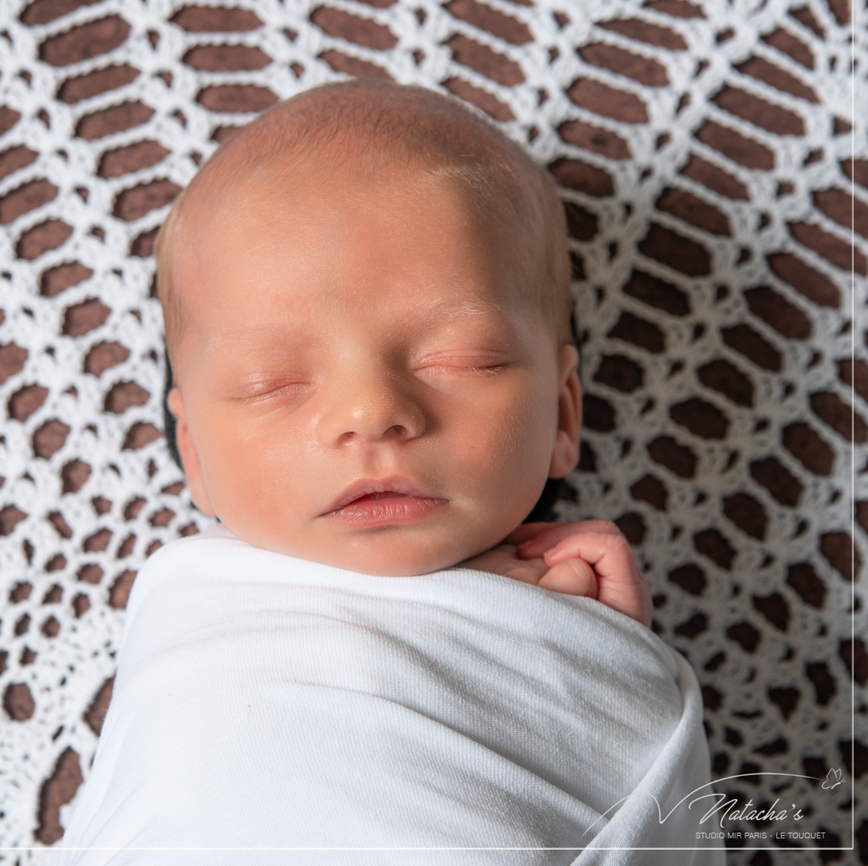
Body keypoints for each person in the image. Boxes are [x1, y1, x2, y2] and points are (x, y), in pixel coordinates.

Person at [57, 82, 722, 864]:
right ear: (194, 454)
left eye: (460, 358)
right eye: (271, 381)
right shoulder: (193, 625)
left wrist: (581, 668)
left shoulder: (572, 621)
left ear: (563, 416)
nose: (371, 414)